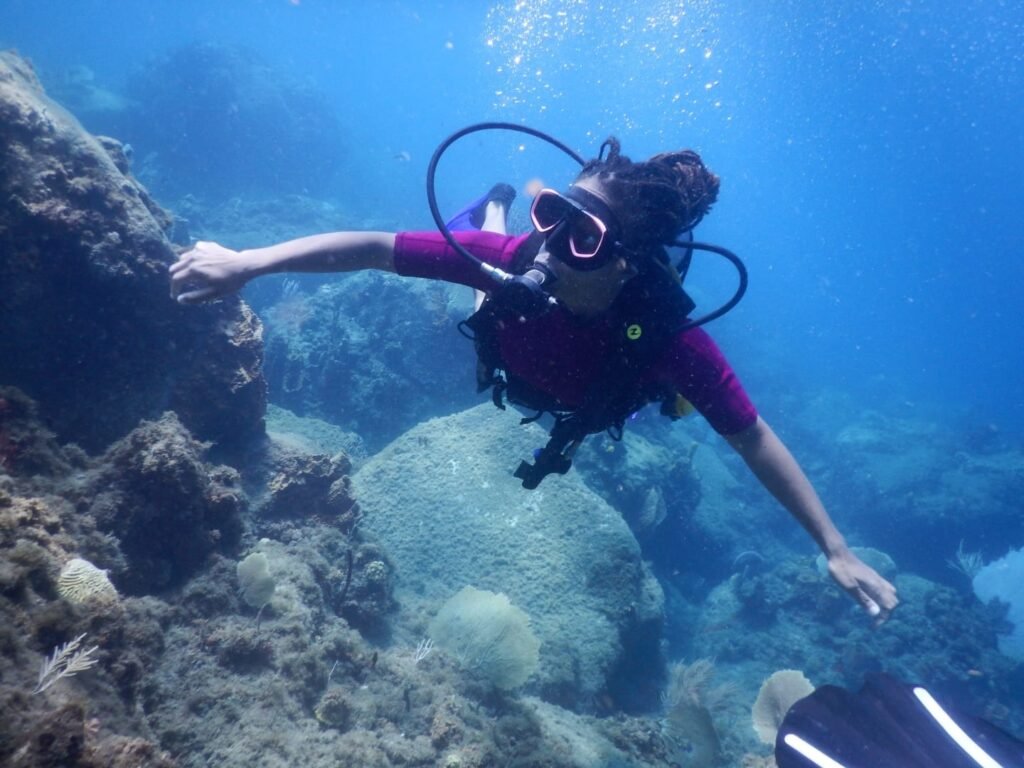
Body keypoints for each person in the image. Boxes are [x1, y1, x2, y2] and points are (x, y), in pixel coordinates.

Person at [169, 137, 899, 623]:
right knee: (487, 283)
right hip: (506, 336)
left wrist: (833, 545)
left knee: (661, 401)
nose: (549, 242)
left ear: (628, 262)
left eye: (581, 235)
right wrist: (249, 261)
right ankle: (488, 203)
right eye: (552, 212)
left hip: (587, 393)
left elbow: (754, 438)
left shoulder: (670, 343)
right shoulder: (514, 255)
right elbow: (370, 246)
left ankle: (494, 214)